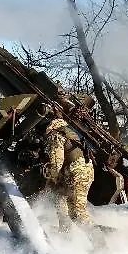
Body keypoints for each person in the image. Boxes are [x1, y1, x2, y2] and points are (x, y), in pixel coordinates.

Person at [42, 96, 97, 228]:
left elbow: (56, 164)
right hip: (80, 171)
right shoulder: (68, 130)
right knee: (59, 197)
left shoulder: (55, 135)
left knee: (78, 213)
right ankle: (64, 232)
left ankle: (99, 244)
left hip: (78, 173)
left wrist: (48, 181)